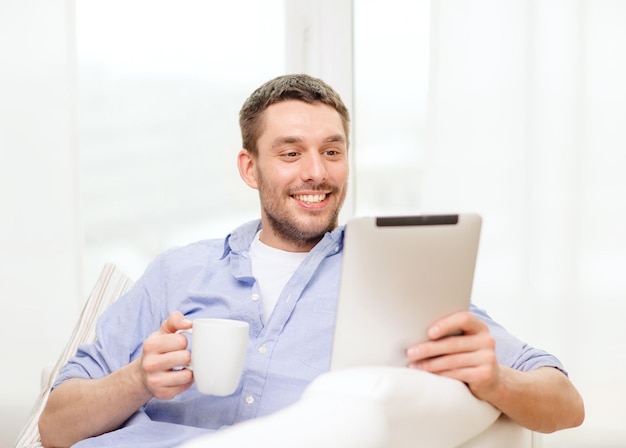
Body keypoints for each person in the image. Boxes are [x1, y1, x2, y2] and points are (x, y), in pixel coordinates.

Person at [38, 74, 584, 448]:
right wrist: (136, 380)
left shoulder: (393, 277)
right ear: (250, 168)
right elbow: (56, 424)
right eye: (291, 152)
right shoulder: (175, 273)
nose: (316, 173)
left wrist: (493, 381)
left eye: (332, 150)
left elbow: (565, 402)